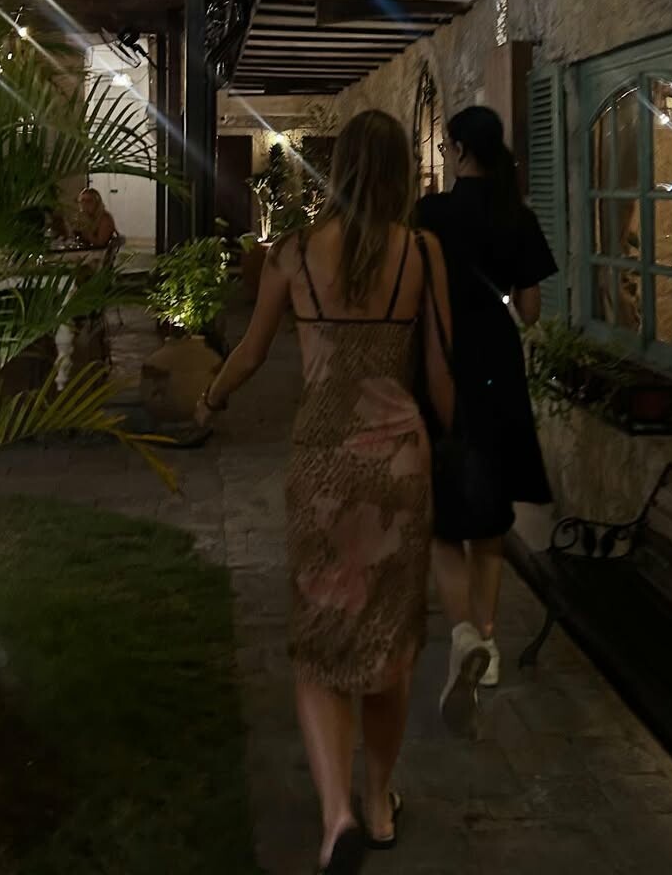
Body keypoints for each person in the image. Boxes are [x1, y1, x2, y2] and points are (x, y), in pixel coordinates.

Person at [194, 110, 455, 875]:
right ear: (400, 174)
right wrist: (457, 445)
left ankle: (336, 814)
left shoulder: (292, 255)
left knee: (321, 638)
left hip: (321, 467)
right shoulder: (423, 253)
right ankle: (379, 803)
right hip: (400, 467)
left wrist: (211, 396)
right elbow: (441, 374)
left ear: (338, 173)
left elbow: (251, 352)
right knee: (391, 642)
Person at [415, 105, 556, 731]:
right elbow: (531, 310)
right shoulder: (515, 214)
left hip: (440, 356)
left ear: (457, 149)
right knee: (492, 512)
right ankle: (490, 644)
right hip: (496, 362)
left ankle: (464, 633)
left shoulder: (430, 213)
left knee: (444, 508)